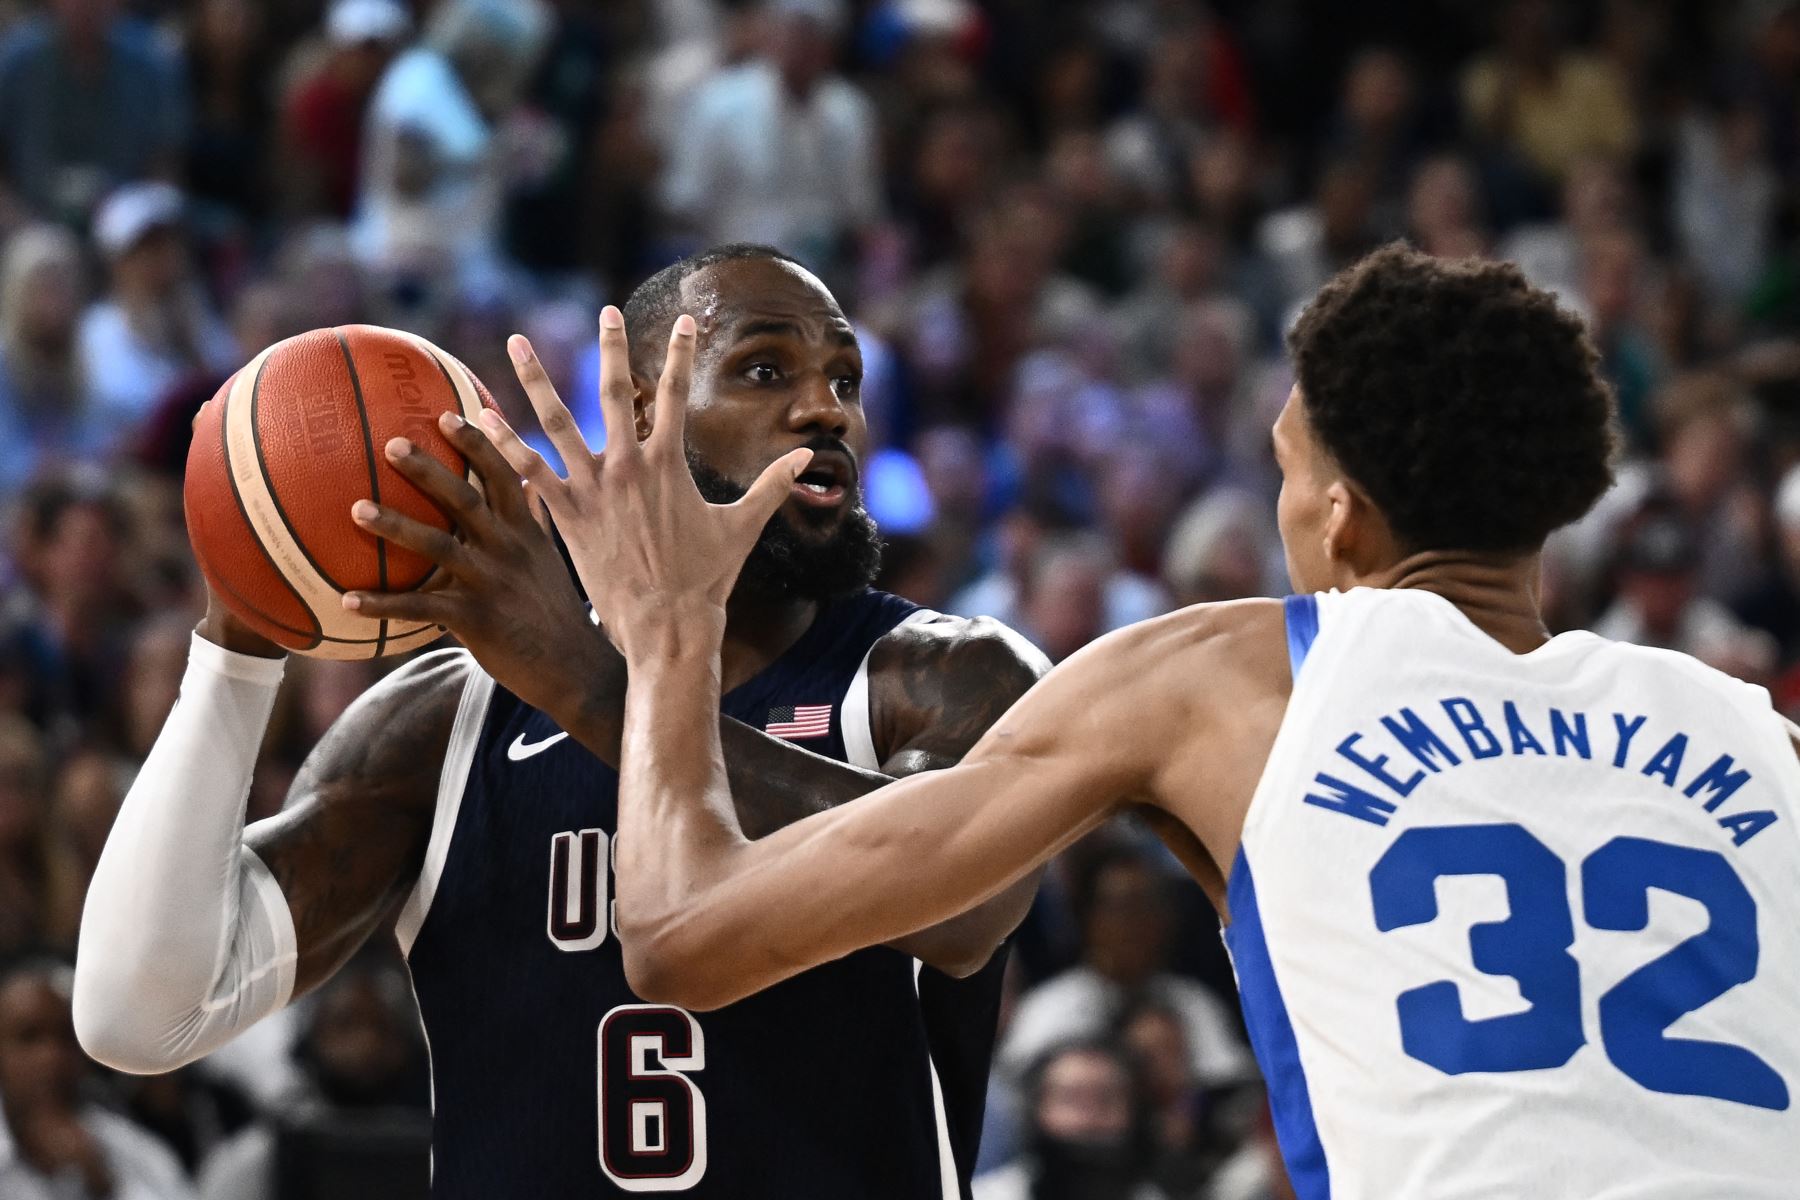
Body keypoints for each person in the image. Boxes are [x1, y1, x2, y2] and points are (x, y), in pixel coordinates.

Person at [512, 243, 1800, 1195]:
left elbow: (682, 934)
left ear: (1339, 515)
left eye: (1288, 473)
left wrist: (666, 621)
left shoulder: (1227, 674)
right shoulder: (1753, 730)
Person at [73, 244, 1049, 1197]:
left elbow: (960, 910)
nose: (824, 408)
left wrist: (585, 685)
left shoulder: (940, 676)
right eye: (765, 369)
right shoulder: (444, 723)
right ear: (636, 416)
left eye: (845, 378)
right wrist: (239, 644)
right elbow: (138, 1015)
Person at [0, 961, 194, 1200]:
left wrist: (103, 1184)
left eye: (66, 1038)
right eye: (29, 1037)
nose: (52, 1056)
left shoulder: (135, 1153)